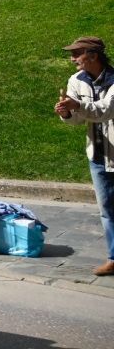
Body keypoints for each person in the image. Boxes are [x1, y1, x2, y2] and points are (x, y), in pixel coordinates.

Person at [54, 36, 114, 276]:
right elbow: (79, 120)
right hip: (98, 154)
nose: (72, 59)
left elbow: (107, 111)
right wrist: (66, 112)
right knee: (107, 209)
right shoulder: (75, 80)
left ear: (93, 55)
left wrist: (76, 105)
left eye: (76, 54)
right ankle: (113, 258)